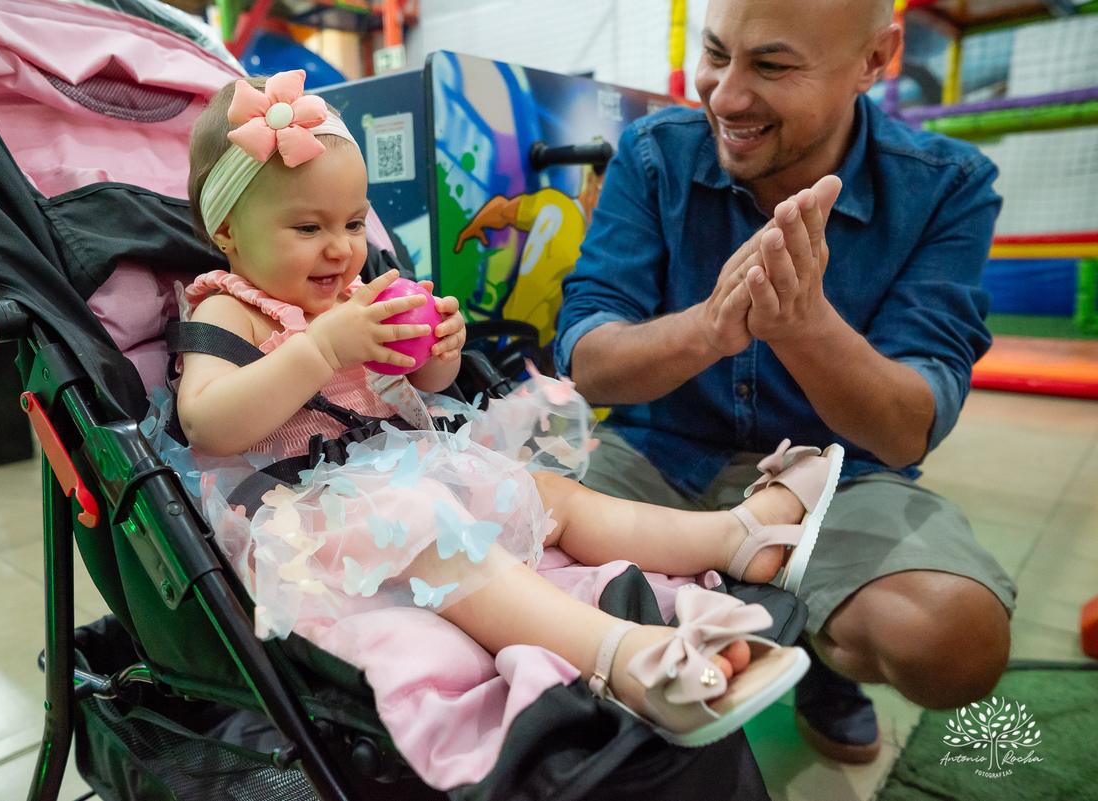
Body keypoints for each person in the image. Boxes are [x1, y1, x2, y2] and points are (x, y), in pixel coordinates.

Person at [172, 69, 847, 750]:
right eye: (307, 226)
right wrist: (318, 349)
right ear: (227, 230)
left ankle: (737, 539)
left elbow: (428, 382)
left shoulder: (353, 295)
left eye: (352, 222)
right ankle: (625, 656)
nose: (342, 247)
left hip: (395, 468)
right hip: (300, 516)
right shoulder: (231, 308)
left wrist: (437, 346)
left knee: (543, 490)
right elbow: (207, 421)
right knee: (427, 525)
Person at [555, 0, 1016, 765]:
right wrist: (708, 327)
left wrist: (805, 326)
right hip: (657, 457)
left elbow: (907, 427)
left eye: (771, 66)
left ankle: (807, 644)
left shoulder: (949, 186)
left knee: (951, 640)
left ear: (876, 59)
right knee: (491, 557)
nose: (726, 96)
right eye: (715, 52)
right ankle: (750, 619)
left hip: (841, 477)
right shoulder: (652, 153)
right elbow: (585, 359)